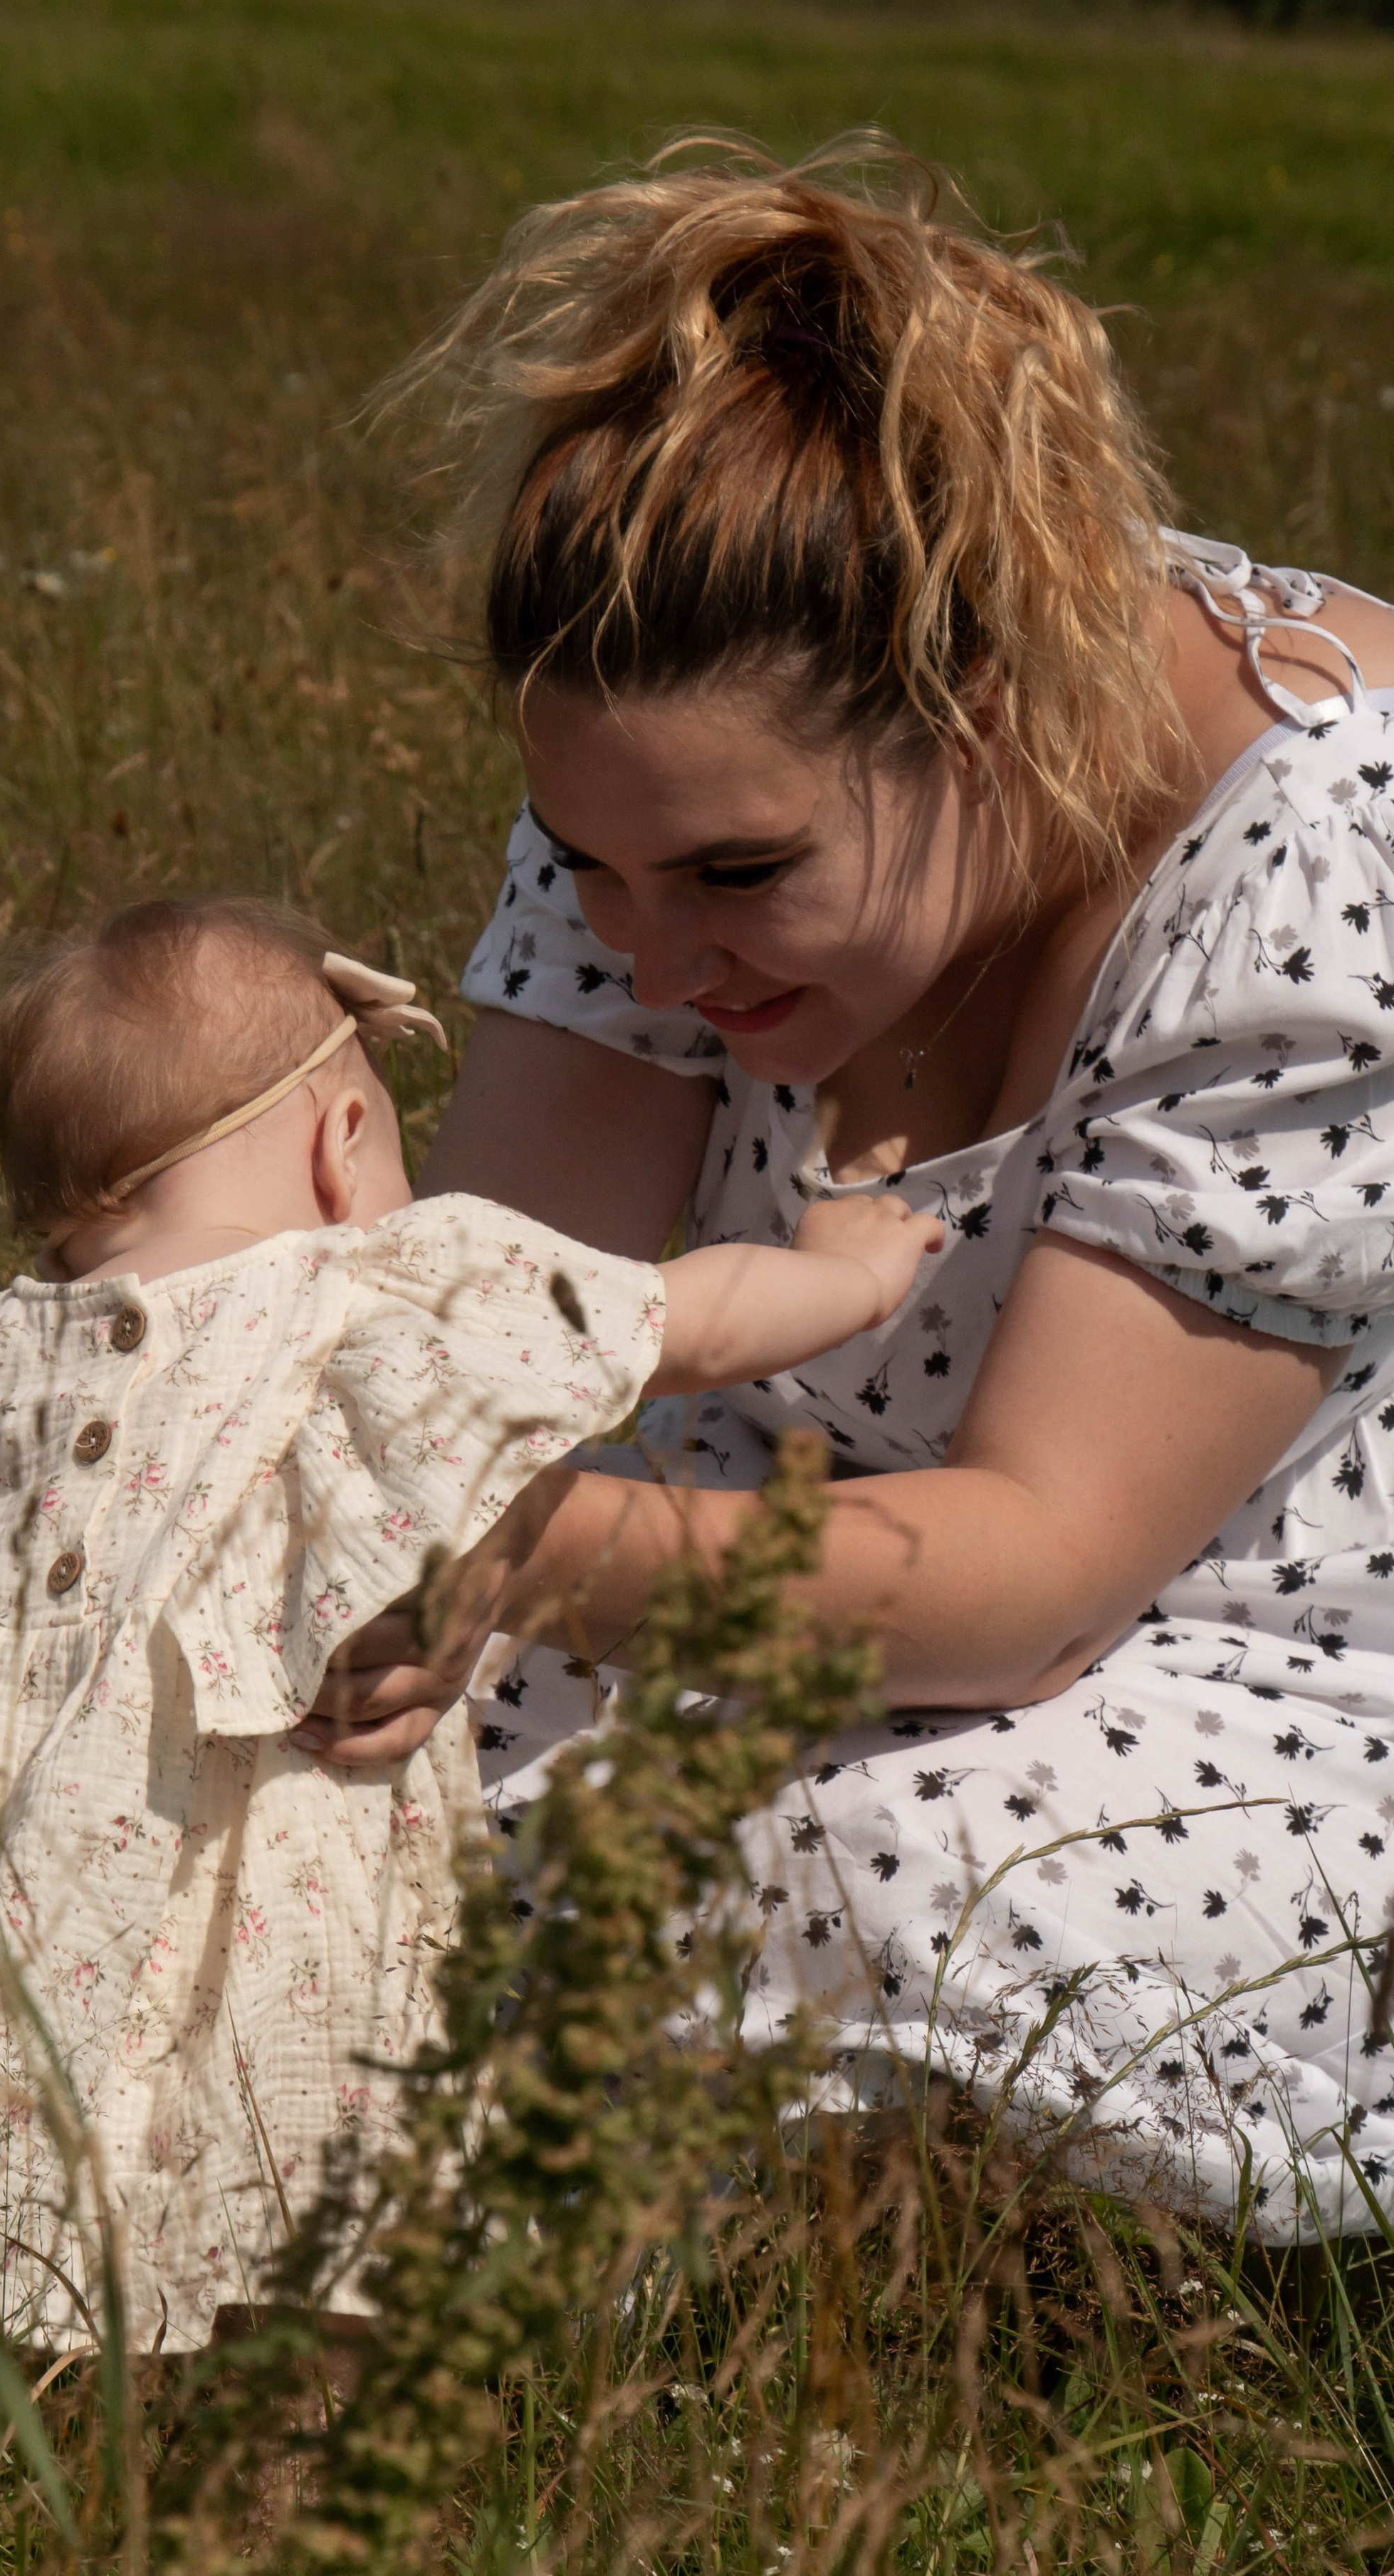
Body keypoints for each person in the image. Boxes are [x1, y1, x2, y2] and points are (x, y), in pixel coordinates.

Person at [296, 135, 1394, 2243]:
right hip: (775, 1555)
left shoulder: (1321, 863)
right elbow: (517, 1326)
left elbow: (1031, 1575)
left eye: (734, 878)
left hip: (1242, 1661)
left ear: (996, 716)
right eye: (584, 862)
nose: (652, 953)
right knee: (296, 1746)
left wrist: (493, 1543)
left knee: (861, 1873)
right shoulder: (677, 800)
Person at [0, 893, 938, 2352]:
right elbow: (684, 1319)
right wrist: (855, 1271)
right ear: (340, 1143)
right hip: (283, 1857)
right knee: (299, 2189)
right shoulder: (373, 1284)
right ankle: (292, 2471)